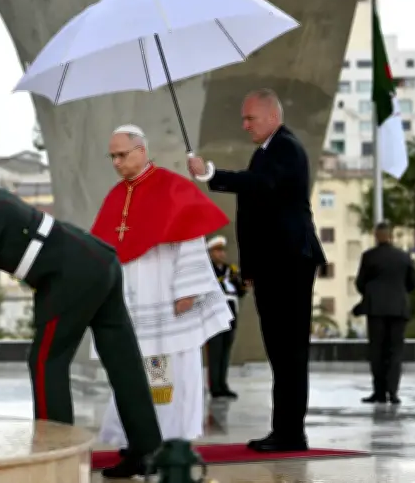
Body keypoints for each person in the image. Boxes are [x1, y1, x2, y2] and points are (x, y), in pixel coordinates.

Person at [0, 156, 162, 479]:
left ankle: (57, 456)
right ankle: (148, 450)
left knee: (46, 361)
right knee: (122, 361)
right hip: (97, 262)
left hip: (70, 277)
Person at [187, 88, 326, 453]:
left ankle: (290, 434)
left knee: (289, 352)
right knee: (279, 352)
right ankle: (285, 430)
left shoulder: (286, 148)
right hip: (273, 265)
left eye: (250, 118)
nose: (244, 125)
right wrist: (250, 268)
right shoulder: (265, 151)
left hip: (289, 262)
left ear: (272, 117)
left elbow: (261, 186)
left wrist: (211, 173)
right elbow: (255, 213)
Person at [91, 125, 233, 448]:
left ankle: (167, 435)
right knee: (130, 365)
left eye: (121, 155)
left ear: (141, 151)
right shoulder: (116, 196)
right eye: (112, 157)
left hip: (166, 297)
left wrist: (187, 289)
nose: (116, 163)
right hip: (131, 302)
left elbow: (191, 239)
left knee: (164, 370)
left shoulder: (172, 188)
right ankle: (130, 433)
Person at [354, 221, 415, 405]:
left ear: (376, 236)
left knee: (377, 351)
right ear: (390, 236)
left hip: (376, 309)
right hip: (398, 309)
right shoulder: (404, 257)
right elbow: (412, 283)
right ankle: (393, 392)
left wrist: (372, 294)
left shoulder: (369, 256)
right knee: (395, 351)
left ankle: (379, 392)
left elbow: (360, 283)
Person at [206, 235, 248, 399]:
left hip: (230, 313)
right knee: (215, 352)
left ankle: (223, 384)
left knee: (225, 351)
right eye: (217, 250)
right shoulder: (208, 270)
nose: (221, 254)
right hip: (214, 314)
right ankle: (214, 387)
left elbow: (240, 292)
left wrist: (242, 284)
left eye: (222, 250)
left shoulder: (231, 270)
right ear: (210, 253)